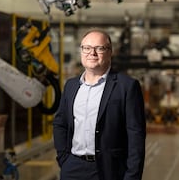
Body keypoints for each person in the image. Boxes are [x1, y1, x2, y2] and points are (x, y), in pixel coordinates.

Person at [53, 29, 146, 180]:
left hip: (109, 171)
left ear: (110, 52)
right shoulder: (71, 86)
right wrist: (64, 158)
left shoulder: (127, 87)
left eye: (99, 48)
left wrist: (132, 176)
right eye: (87, 48)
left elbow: (136, 136)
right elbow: (60, 123)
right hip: (73, 168)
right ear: (81, 51)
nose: (92, 53)